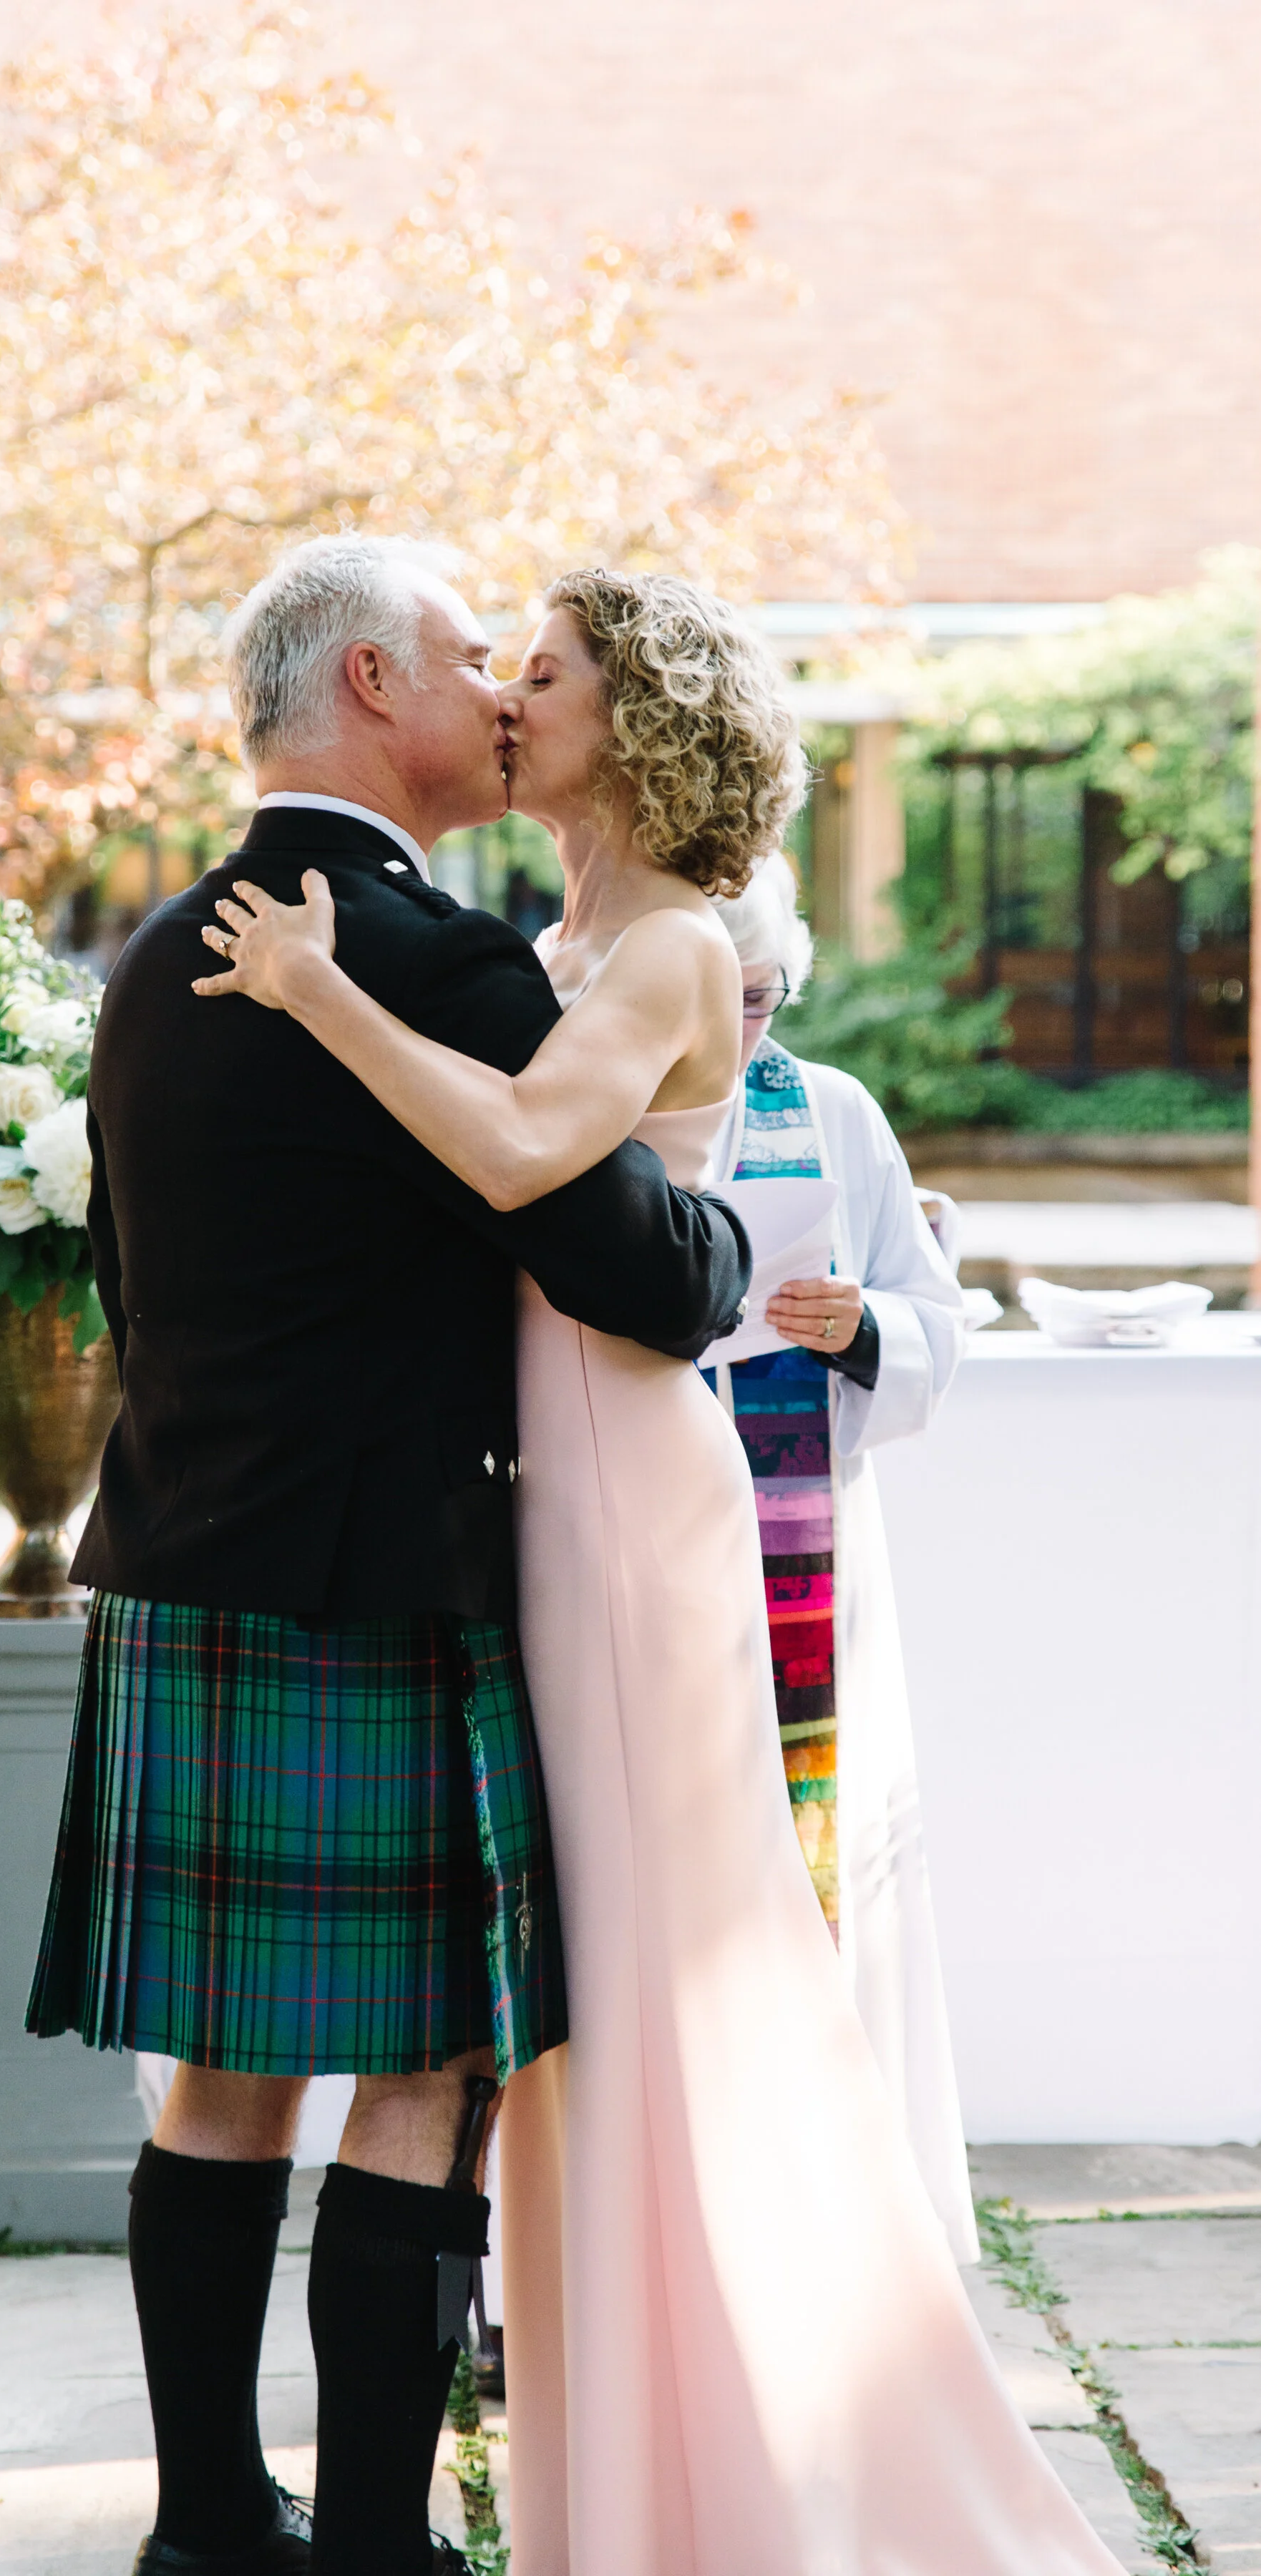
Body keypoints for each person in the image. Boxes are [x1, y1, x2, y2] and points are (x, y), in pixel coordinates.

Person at [203, 566, 1128, 2576]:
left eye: (546, 672)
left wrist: (317, 990)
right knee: (579, 2016)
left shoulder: (681, 945)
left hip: (627, 1499)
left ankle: (750, 2480)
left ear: (640, 721)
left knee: (658, 1984)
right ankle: (622, 2468)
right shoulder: (567, 934)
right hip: (537, 1481)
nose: (512, 697)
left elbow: (533, 1153)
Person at [25, 536, 749, 2576]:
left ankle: (200, 2530)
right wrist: (720, 1213)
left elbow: (121, 1277)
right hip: (385, 1583)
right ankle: (370, 2545)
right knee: (424, 2067)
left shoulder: (158, 958)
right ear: (365, 683)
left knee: (223, 2072)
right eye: (464, 655)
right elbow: (636, 1269)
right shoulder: (441, 962)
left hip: (178, 1557)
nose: (503, 690)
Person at [705, 852, 979, 2260]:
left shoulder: (830, 1113)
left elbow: (936, 1323)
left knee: (802, 1880)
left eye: (763, 994)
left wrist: (856, 1322)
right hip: (651, 1557)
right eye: (717, 989)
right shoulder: (598, 1099)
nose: (743, 1022)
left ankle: (812, 2213)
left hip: (798, 1554)